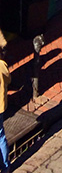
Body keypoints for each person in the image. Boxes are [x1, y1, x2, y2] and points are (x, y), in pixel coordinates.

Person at [0, 34, 9, 173]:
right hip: (0, 106)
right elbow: (8, 79)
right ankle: (6, 167)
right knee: (1, 136)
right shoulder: (2, 65)